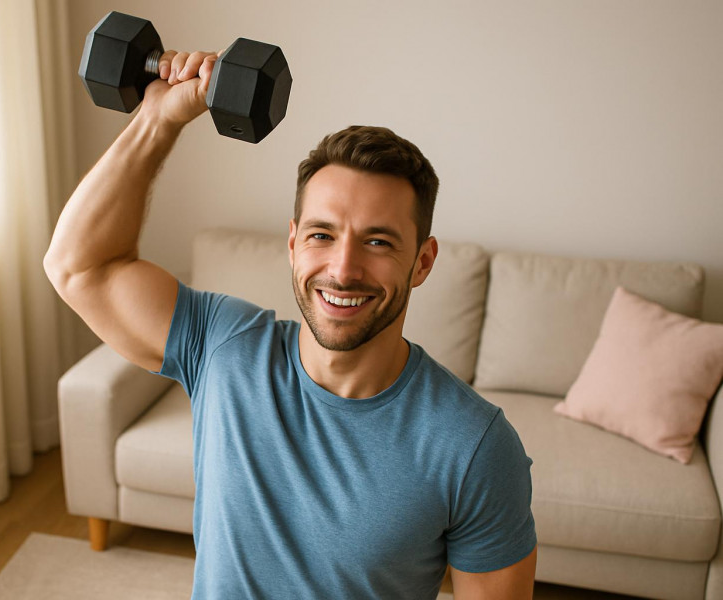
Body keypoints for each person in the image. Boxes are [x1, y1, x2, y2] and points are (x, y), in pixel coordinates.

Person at [44, 49, 538, 599]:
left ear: (422, 262)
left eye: (378, 242)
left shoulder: (475, 446)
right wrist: (159, 119)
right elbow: (79, 268)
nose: (343, 269)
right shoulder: (224, 346)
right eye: (322, 235)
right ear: (293, 243)